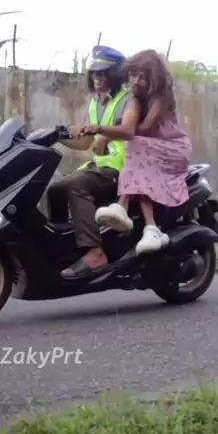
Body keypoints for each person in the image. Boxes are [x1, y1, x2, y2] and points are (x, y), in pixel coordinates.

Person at [94, 48, 192, 256]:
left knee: (136, 143)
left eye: (142, 77)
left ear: (153, 79)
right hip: (148, 149)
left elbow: (145, 128)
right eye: (132, 75)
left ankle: (129, 210)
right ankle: (146, 224)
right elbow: (129, 128)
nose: (136, 81)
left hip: (172, 147)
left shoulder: (162, 96)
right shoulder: (135, 97)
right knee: (140, 161)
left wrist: (109, 133)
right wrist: (120, 130)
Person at [51, 45, 133, 280]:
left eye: (104, 73)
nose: (98, 77)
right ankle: (64, 249)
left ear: (116, 75)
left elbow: (130, 130)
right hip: (101, 166)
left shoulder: (127, 100)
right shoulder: (96, 103)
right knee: (55, 189)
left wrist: (107, 135)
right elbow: (87, 143)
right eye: (95, 73)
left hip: (123, 169)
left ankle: (95, 252)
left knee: (77, 185)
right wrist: (56, 136)